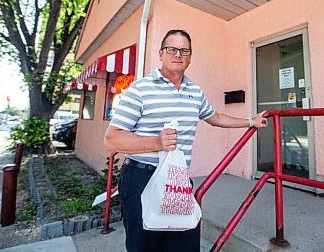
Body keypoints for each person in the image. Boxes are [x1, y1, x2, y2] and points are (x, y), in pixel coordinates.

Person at [104, 29, 268, 252]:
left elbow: (216, 117)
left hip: (178, 180)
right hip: (142, 178)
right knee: (144, 247)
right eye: (172, 49)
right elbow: (113, 138)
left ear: (190, 57)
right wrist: (155, 143)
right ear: (161, 53)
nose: (178, 54)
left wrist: (251, 121)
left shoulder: (195, 91)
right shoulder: (140, 89)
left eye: (184, 50)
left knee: (184, 245)